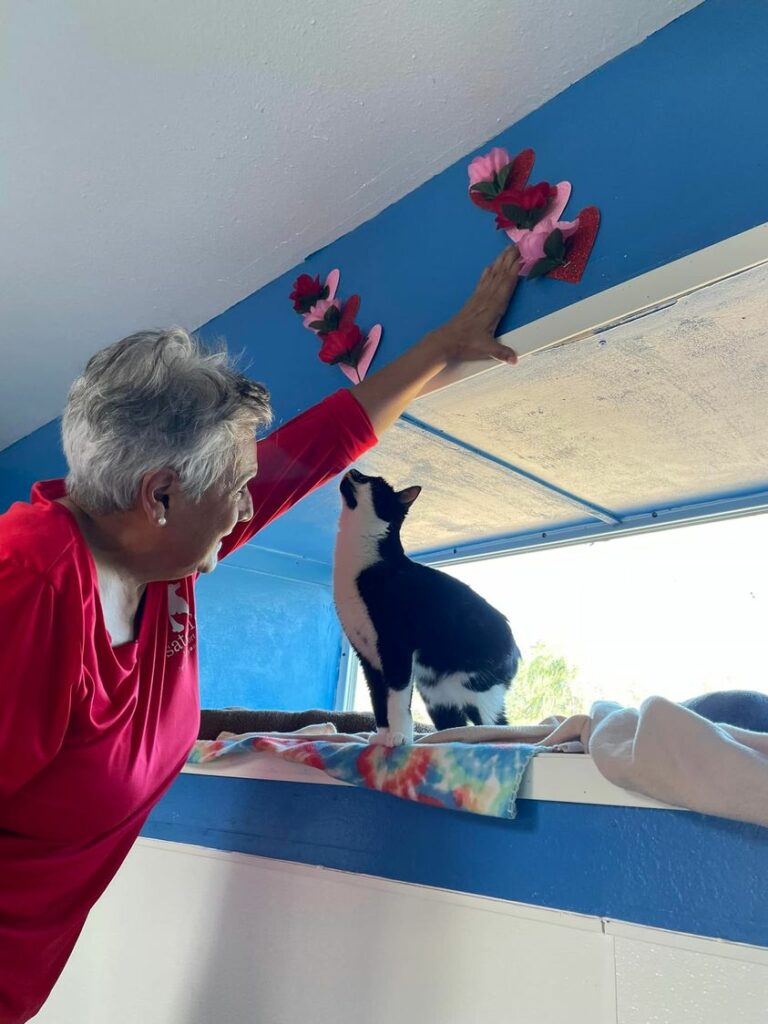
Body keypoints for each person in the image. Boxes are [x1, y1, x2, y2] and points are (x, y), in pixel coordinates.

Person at [0, 246, 521, 1022]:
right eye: (238, 488)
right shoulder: (29, 590)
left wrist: (448, 344)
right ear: (162, 494)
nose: (251, 507)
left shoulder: (162, 559)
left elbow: (316, 450)